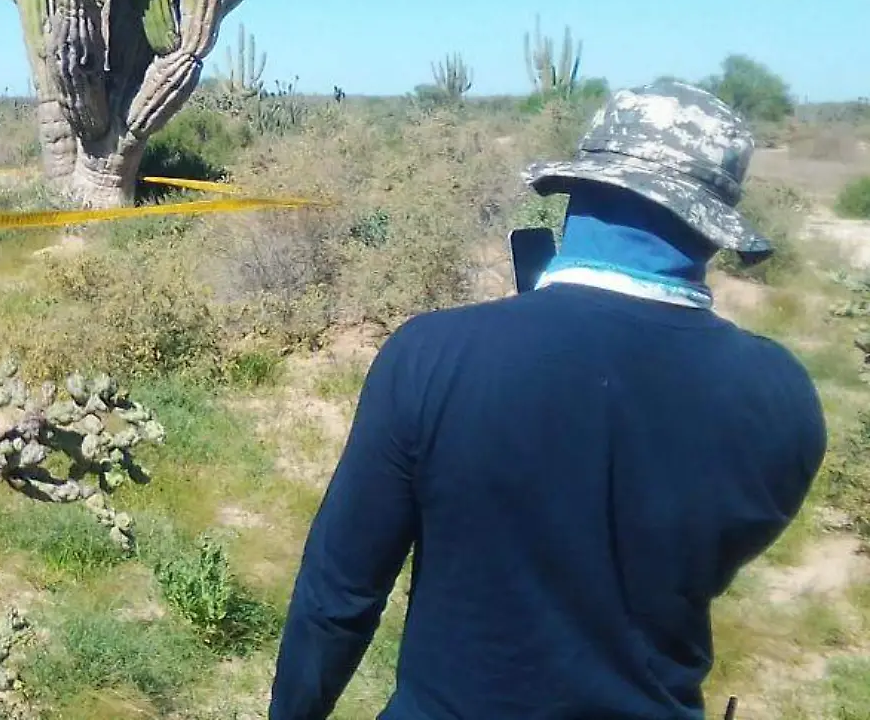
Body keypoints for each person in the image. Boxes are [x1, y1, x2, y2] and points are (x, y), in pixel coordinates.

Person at [267, 80, 828, 719]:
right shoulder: (785, 398)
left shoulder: (433, 354)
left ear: (577, 188)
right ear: (714, 225)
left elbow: (339, 594)